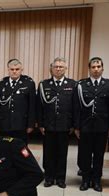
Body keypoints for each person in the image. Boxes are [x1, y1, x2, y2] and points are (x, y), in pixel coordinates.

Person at [73, 57, 109, 192]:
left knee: (99, 155)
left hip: (102, 127)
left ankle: (97, 180)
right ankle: (85, 180)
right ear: (89, 69)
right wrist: (76, 127)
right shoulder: (81, 85)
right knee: (85, 154)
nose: (96, 69)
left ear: (102, 68)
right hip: (85, 126)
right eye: (93, 67)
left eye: (98, 67)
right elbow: (76, 107)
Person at [37, 58, 76, 188]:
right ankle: (48, 177)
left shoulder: (72, 84)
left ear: (65, 69)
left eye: (61, 67)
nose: (58, 69)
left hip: (64, 125)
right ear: (51, 69)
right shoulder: (44, 85)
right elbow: (40, 106)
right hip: (48, 125)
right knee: (48, 153)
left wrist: (73, 125)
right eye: (56, 67)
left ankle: (60, 178)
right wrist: (41, 124)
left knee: (62, 153)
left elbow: (74, 107)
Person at [0, 59, 36, 144]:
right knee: (5, 151)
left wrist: (31, 124)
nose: (14, 71)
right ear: (8, 70)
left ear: (21, 70)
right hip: (5, 125)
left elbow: (32, 106)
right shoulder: (1, 84)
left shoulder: (28, 84)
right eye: (12, 69)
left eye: (17, 69)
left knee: (21, 151)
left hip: (21, 125)